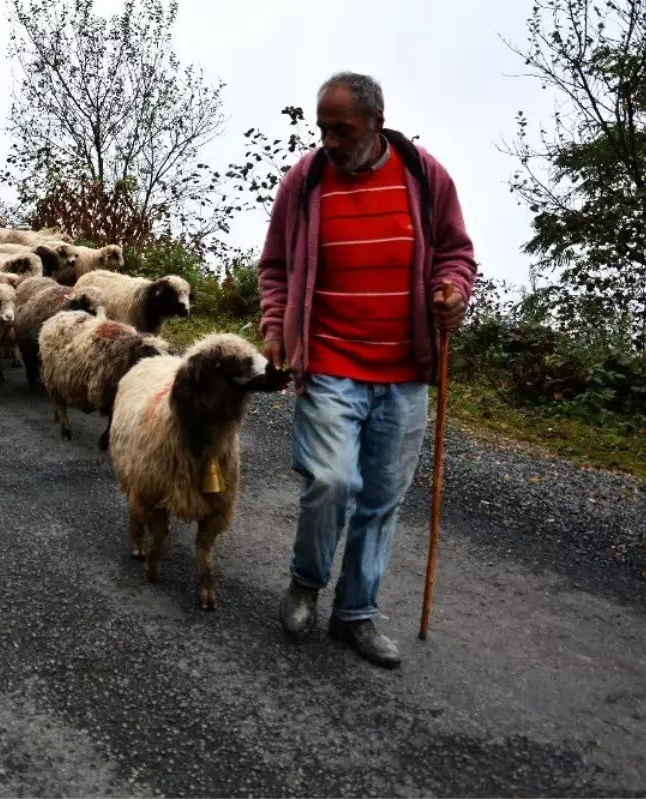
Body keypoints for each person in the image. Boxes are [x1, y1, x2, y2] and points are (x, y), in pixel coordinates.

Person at [256, 72, 477, 668]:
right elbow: (275, 266)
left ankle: (355, 614)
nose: (327, 139)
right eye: (322, 127)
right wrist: (277, 329)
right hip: (329, 362)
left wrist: (451, 290)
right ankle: (306, 583)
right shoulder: (305, 183)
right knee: (330, 481)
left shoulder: (423, 177)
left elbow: (456, 253)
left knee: (382, 497)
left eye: (341, 129)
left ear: (376, 123)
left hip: (404, 372)